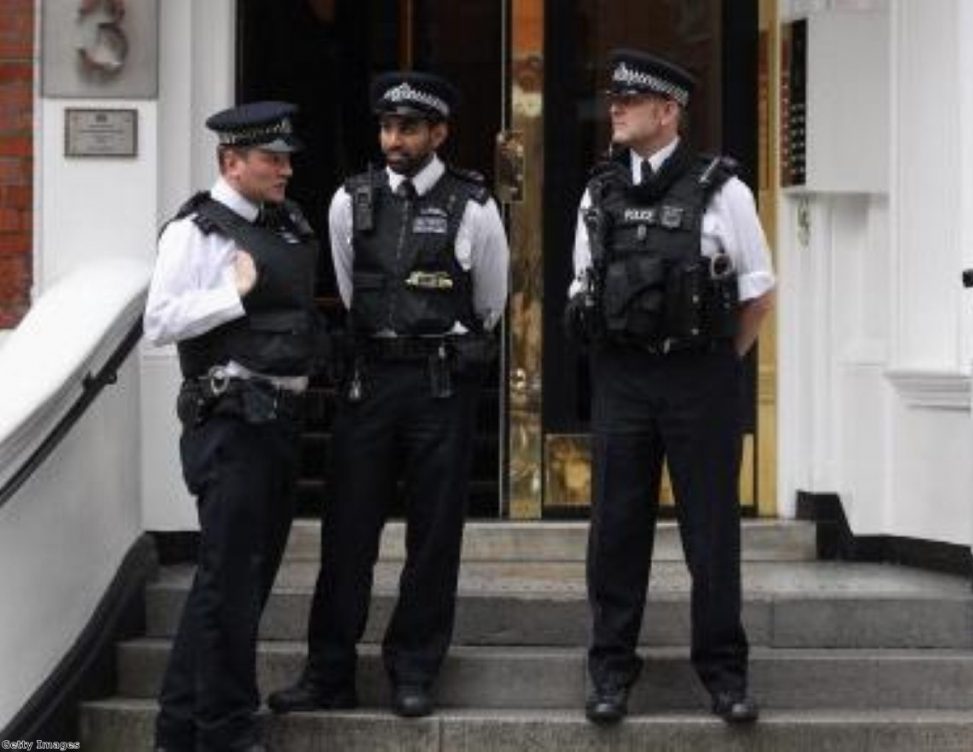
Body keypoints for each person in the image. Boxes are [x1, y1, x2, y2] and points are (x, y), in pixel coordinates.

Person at [269, 71, 509, 719]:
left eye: (408, 127)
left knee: (434, 535)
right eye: (386, 126)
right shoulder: (352, 200)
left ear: (439, 132)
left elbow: (489, 303)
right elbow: (349, 292)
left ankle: (414, 670)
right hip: (368, 378)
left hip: (438, 384)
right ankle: (328, 673)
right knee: (347, 532)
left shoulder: (475, 206)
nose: (393, 138)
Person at [564, 49, 775, 726]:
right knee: (616, 532)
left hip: (699, 379)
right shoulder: (599, 191)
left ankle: (724, 675)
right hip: (624, 377)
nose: (616, 110)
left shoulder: (724, 190)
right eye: (614, 100)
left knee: (710, 535)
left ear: (668, 111)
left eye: (631, 101)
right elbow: (580, 286)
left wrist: (719, 367)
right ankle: (609, 673)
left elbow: (758, 295)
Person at [144, 101, 320, 752]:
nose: (286, 170)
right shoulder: (197, 233)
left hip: (277, 423)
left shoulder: (287, 223)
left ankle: (178, 726)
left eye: (287, 158)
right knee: (230, 584)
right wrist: (231, 294)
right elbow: (158, 320)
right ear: (231, 162)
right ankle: (224, 729)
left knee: (237, 580)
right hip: (231, 425)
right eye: (272, 159)